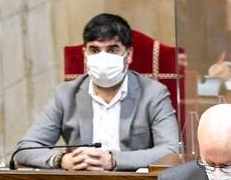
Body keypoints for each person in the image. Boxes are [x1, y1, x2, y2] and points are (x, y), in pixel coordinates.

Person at [12, 13, 180, 171]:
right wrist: (62, 160)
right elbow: (24, 148)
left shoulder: (154, 93)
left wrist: (113, 160)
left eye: (113, 50)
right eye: (94, 50)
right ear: (85, 55)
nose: (103, 57)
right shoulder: (65, 94)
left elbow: (171, 150)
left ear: (128, 55)